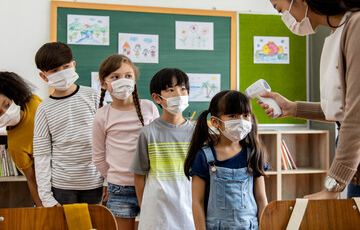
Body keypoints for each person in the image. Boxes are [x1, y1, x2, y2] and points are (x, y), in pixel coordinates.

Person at [262, 0, 360, 199]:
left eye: (280, 10)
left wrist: (333, 187)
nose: (285, 19)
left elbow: (356, 114)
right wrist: (292, 108)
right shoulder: (337, 32)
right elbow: (342, 109)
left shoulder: (356, 26)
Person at [92, 54, 159, 229]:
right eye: (115, 76)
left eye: (128, 76)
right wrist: (113, 176)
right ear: (104, 83)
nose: (123, 80)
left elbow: (158, 147)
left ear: (134, 79)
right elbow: (98, 157)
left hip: (150, 183)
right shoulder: (102, 115)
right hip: (119, 188)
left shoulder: (149, 108)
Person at [184, 90, 268, 230]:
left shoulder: (253, 153)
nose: (241, 120)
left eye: (245, 115)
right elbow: (197, 202)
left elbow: (261, 199)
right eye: (233, 115)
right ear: (215, 122)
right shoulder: (204, 156)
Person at [33, 42, 103, 207]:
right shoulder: (44, 108)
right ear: (44, 76)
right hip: (62, 187)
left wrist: (107, 180)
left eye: (65, 67)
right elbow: (42, 155)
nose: (62, 73)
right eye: (54, 71)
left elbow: (108, 141)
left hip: (95, 183)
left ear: (73, 65)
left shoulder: (94, 96)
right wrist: (46, 197)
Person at [130, 68, 195, 230]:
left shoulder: (197, 133)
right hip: (156, 211)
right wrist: (144, 207)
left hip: (188, 208)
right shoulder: (148, 133)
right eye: (170, 90)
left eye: (183, 89)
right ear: (156, 98)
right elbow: (139, 175)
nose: (178, 94)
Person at [0, 72, 43, 207]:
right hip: (50, 187)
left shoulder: (34, 102)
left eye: (7, 104)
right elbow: (32, 179)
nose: (6, 112)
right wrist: (42, 207)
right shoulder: (14, 146)